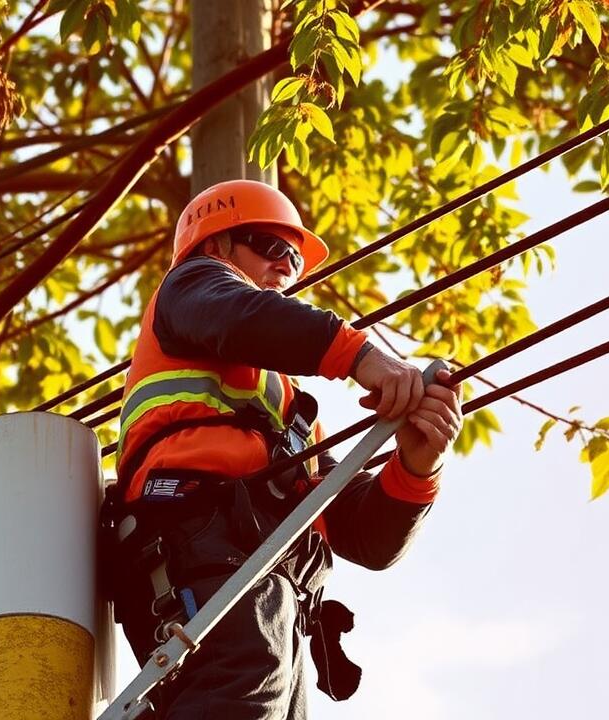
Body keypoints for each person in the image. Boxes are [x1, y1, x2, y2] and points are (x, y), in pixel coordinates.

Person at [106, 179, 462, 719]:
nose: (286, 269)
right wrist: (361, 356)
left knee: (258, 700)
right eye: (272, 248)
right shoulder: (192, 288)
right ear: (215, 244)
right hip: (196, 536)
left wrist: (416, 464)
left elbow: (365, 536)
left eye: (294, 261)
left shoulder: (286, 414)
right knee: (245, 694)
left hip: (273, 586)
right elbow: (241, 316)